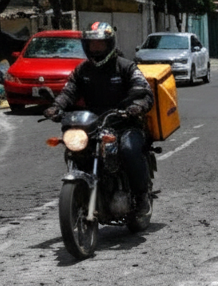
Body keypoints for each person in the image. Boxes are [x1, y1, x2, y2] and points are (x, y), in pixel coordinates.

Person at [45, 21, 154, 209]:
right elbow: (69, 92)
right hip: (92, 124)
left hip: (124, 122)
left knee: (129, 150)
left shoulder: (126, 67)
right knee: (75, 149)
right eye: (91, 44)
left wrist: (137, 107)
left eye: (99, 44)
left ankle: (141, 196)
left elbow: (143, 91)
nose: (95, 48)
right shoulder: (82, 70)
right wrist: (56, 107)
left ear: (109, 44)